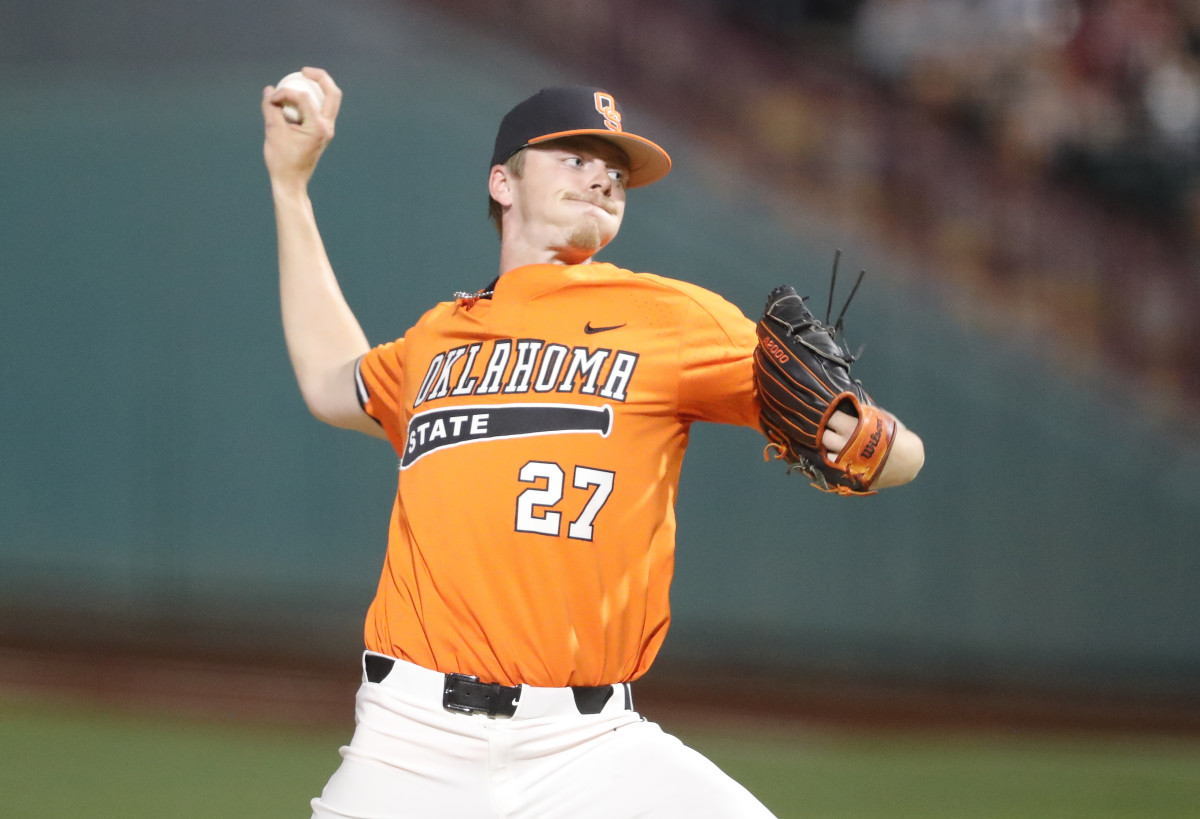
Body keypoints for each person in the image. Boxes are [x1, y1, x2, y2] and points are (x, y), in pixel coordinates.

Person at [262, 67, 924, 819]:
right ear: (502, 184)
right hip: (407, 741)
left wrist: (861, 434)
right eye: (574, 159)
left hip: (590, 750)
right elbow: (327, 381)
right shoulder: (439, 336)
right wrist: (291, 187)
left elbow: (896, 454)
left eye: (614, 173)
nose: (603, 180)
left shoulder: (670, 317)